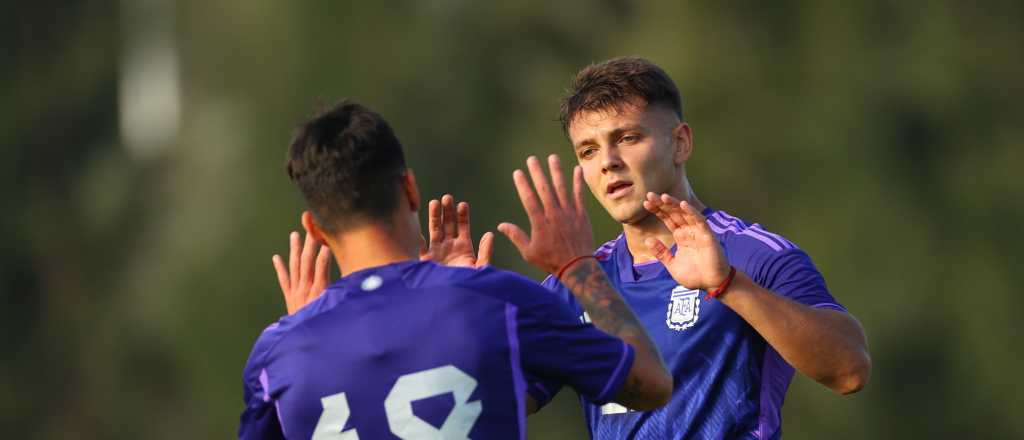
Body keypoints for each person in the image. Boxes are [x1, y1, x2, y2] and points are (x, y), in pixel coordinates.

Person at [238, 100, 673, 439]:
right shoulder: (498, 302)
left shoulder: (278, 355)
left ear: (314, 228)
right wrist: (579, 267)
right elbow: (652, 384)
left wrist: (306, 332)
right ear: (410, 188)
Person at [512, 57, 872, 439]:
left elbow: (849, 370)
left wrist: (729, 286)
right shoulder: (580, 282)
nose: (608, 163)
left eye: (627, 138)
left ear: (680, 143)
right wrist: (456, 312)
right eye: (588, 151)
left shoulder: (750, 253)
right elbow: (484, 409)